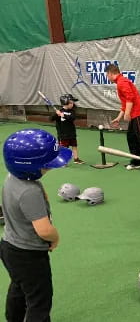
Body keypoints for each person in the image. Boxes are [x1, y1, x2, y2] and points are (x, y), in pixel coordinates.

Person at [0, 129, 72, 321]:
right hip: (29, 255)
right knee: (39, 301)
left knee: (19, 286)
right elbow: (44, 230)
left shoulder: (13, 178)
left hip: (9, 247)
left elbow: (30, 196)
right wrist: (55, 238)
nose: (48, 169)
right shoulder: (29, 191)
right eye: (45, 166)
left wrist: (42, 195)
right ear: (28, 167)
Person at [105, 64, 140, 175]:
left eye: (107, 75)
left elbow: (130, 98)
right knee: (131, 137)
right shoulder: (120, 83)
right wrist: (119, 117)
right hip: (135, 114)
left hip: (139, 114)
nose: (107, 78)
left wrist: (127, 113)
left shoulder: (122, 82)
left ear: (110, 73)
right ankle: (136, 161)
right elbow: (125, 103)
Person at [50, 93, 85, 164]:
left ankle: (76, 159)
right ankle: (63, 161)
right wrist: (56, 114)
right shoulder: (59, 112)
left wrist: (63, 115)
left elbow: (72, 118)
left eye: (72, 103)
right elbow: (51, 119)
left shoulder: (72, 111)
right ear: (65, 103)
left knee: (74, 146)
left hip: (71, 133)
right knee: (64, 149)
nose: (72, 104)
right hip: (63, 135)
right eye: (71, 103)